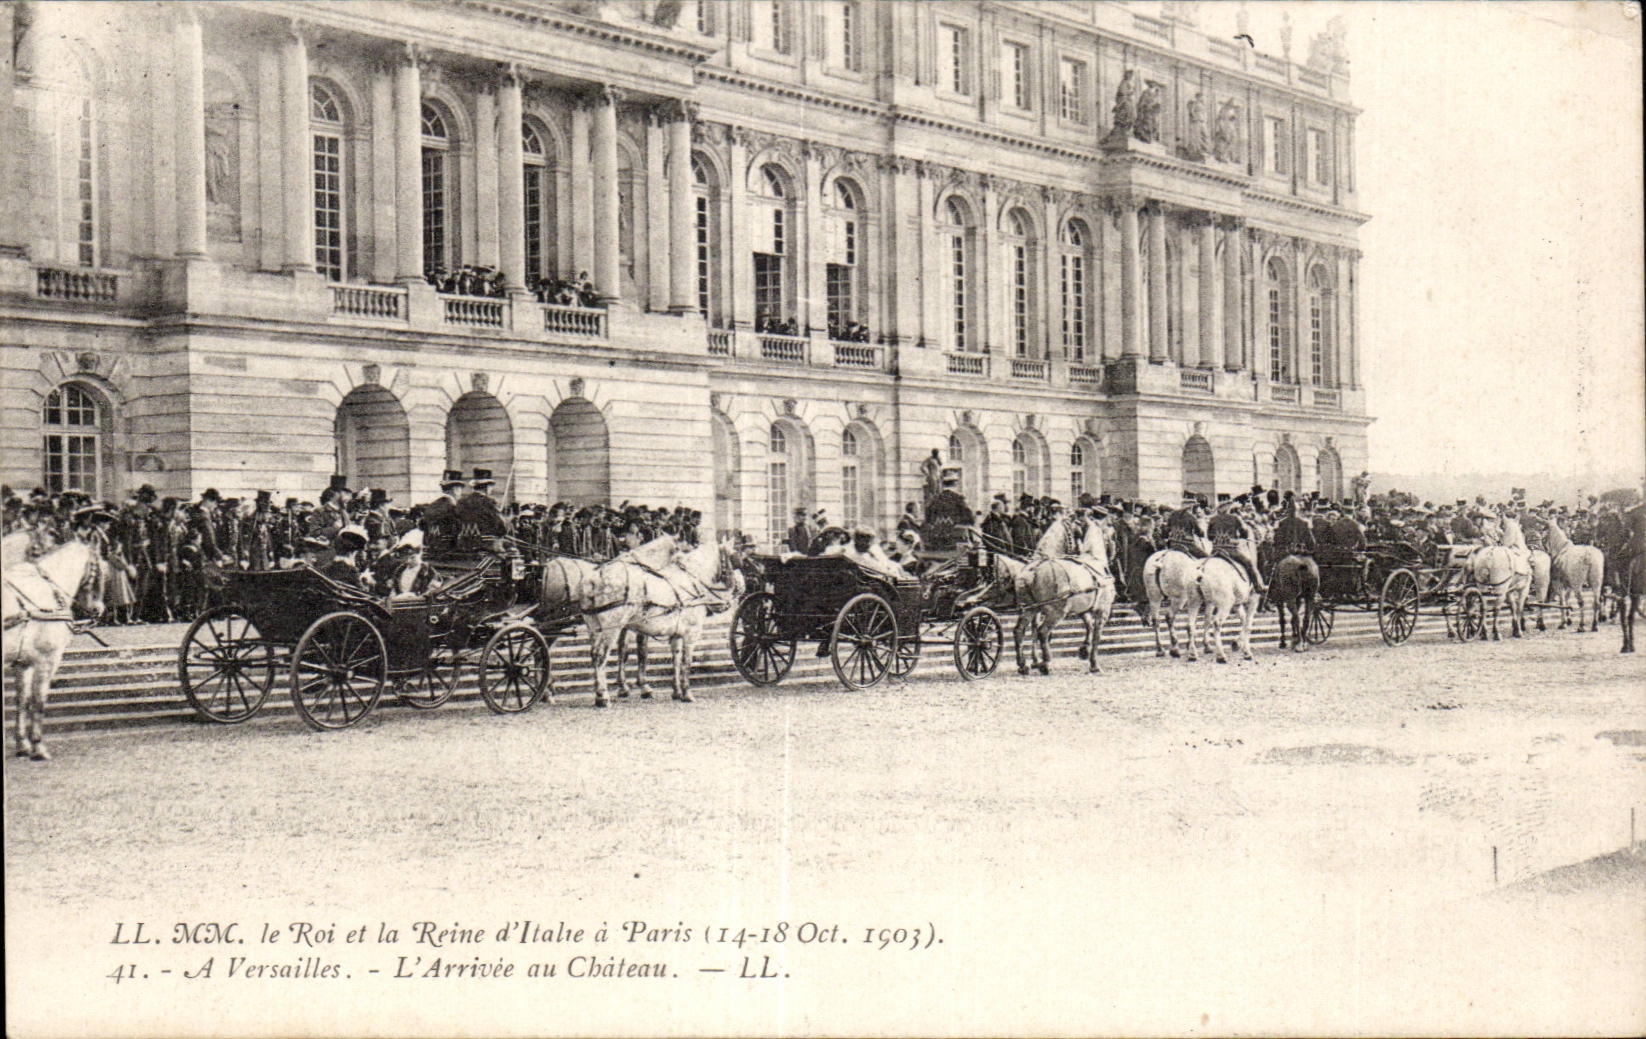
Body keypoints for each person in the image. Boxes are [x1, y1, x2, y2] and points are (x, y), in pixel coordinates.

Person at [1206, 498, 1266, 593]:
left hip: (1215, 551)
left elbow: (1209, 537)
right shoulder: (1234, 518)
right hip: (1231, 551)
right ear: (1228, 508)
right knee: (1249, 563)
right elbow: (1244, 533)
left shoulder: (1212, 519)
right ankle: (1258, 586)